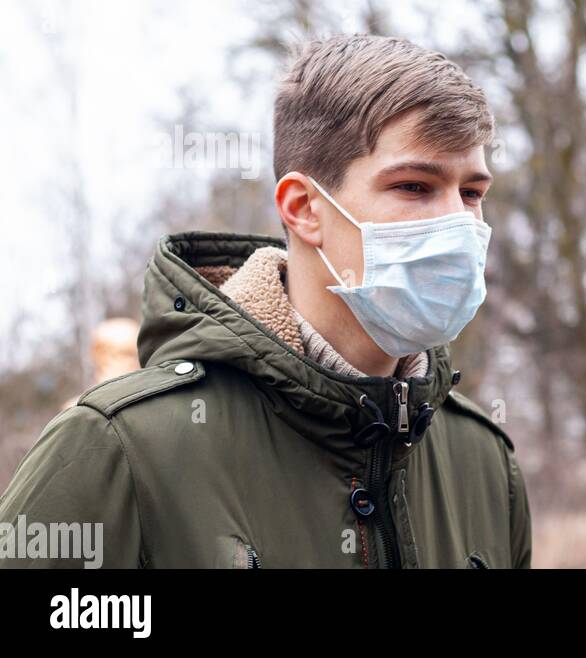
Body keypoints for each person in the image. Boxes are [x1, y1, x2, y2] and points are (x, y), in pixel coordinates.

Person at [0, 35, 529, 568]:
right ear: (303, 208)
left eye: (471, 193)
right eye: (414, 186)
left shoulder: (484, 460)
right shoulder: (119, 446)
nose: (457, 223)